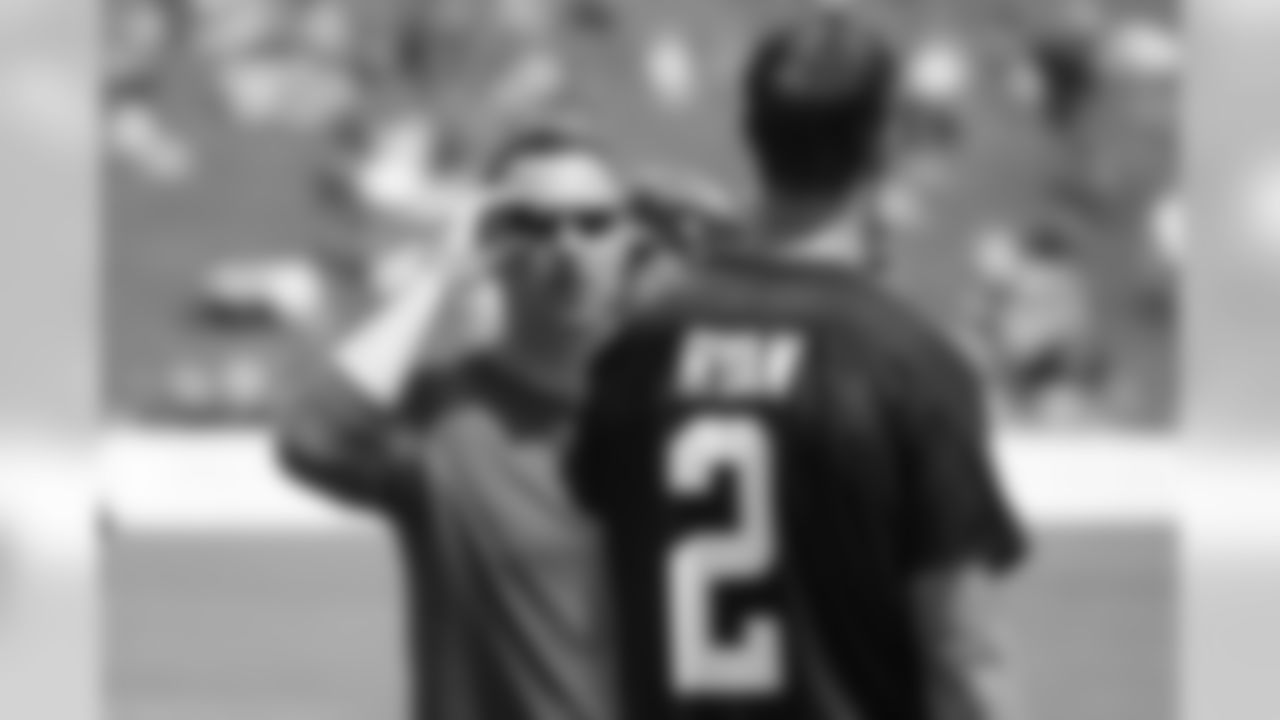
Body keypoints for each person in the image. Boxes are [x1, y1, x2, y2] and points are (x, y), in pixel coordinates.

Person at [569, 11, 1029, 720]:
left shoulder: (638, 352)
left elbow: (603, 628)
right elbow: (964, 660)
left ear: (751, 131)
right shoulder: (909, 365)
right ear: (884, 143)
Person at [276, 124, 652, 720]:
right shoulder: (444, 422)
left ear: (631, 240)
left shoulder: (671, 417)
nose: (568, 246)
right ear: (489, 240)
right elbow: (311, 437)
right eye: (534, 224)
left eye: (594, 222)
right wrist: (439, 278)